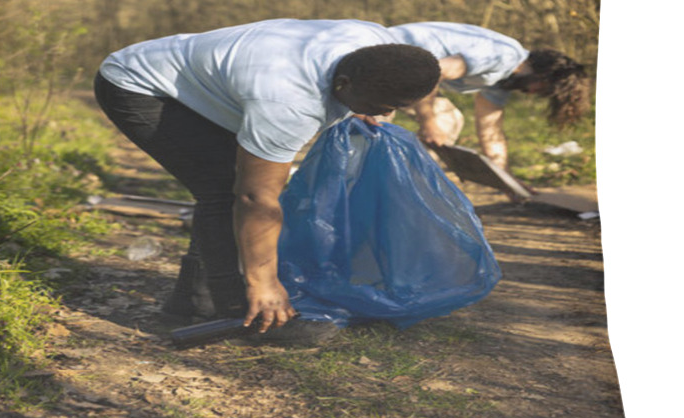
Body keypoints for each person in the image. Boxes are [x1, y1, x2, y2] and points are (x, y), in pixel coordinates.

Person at [94, 18, 441, 342]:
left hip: (211, 82)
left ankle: (191, 303)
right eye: (380, 104)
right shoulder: (289, 102)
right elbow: (254, 198)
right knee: (224, 189)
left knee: (227, 181)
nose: (384, 113)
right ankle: (244, 312)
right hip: (140, 85)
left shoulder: (376, 44)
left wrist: (366, 103)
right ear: (343, 84)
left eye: (396, 106)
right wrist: (265, 282)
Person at [388, 22, 590, 171]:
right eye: (544, 89)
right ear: (544, 73)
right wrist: (428, 124)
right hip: (384, 58)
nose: (535, 94)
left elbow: (490, 131)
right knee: (374, 125)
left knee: (447, 120)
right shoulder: (504, 56)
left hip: (408, 73)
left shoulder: (502, 79)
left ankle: (400, 179)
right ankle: (375, 182)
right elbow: (432, 72)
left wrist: (507, 182)